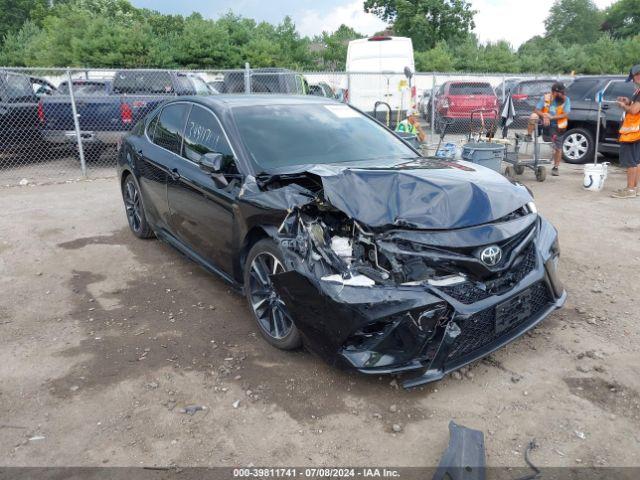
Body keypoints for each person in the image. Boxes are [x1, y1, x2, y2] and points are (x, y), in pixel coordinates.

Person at [525, 82, 571, 176]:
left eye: (563, 92)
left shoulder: (566, 100)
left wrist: (551, 118)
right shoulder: (545, 98)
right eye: (560, 92)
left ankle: (556, 167)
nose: (563, 94)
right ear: (554, 92)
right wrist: (544, 116)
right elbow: (536, 110)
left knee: (558, 148)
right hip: (544, 122)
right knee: (533, 116)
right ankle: (528, 135)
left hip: (558, 126)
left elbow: (565, 114)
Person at [611, 64, 640, 199]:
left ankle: (630, 189)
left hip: (633, 133)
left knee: (630, 161)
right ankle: (634, 188)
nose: (633, 81)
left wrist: (623, 106)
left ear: (638, 75)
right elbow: (635, 105)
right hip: (636, 132)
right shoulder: (637, 92)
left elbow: (634, 110)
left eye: (634, 78)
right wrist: (628, 101)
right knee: (636, 161)